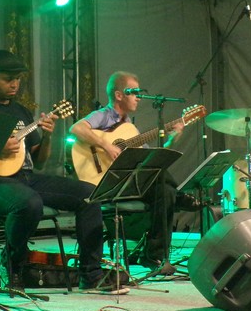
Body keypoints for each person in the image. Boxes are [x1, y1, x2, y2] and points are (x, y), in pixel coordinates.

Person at [0, 49, 125, 293]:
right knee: (29, 203)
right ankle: (12, 263)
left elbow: (39, 161)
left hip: (25, 178)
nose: (15, 84)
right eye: (8, 79)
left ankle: (91, 275)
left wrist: (47, 136)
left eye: (18, 79)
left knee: (89, 194)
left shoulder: (21, 111)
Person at [69, 71, 182, 271]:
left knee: (165, 190)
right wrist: (106, 145)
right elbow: (77, 129)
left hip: (128, 182)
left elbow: (148, 161)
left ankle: (154, 255)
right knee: (167, 185)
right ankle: (183, 197)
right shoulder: (104, 115)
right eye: (134, 92)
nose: (138, 97)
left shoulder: (129, 127)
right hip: (106, 182)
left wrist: (171, 141)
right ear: (119, 95)